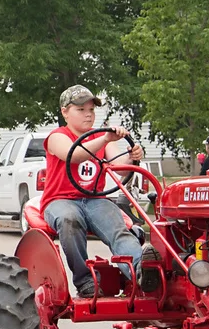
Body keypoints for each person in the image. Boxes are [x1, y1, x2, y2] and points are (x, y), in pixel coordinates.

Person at [42, 84, 159, 298]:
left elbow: (120, 167)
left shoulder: (101, 139)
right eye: (81, 110)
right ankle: (84, 279)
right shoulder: (57, 136)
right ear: (65, 112)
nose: (88, 115)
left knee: (119, 228)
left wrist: (132, 156)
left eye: (91, 110)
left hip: (94, 200)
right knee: (69, 219)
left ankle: (141, 271)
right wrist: (105, 138)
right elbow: (74, 154)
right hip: (60, 201)